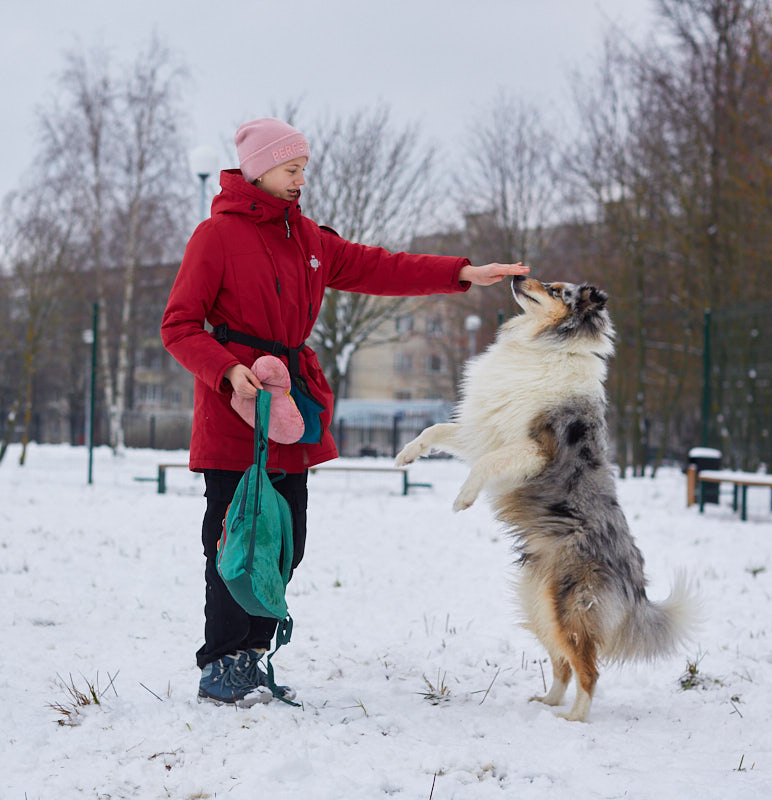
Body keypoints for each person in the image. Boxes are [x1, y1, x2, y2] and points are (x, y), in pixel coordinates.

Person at [161, 117, 528, 706]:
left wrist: (460, 272)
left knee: (287, 541)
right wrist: (227, 370)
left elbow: (382, 266)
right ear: (259, 169)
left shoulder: (308, 238)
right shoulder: (215, 236)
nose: (300, 178)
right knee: (236, 540)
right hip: (235, 410)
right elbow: (178, 325)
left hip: (293, 407)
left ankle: (253, 654)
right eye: (291, 168)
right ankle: (221, 662)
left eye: (303, 168)